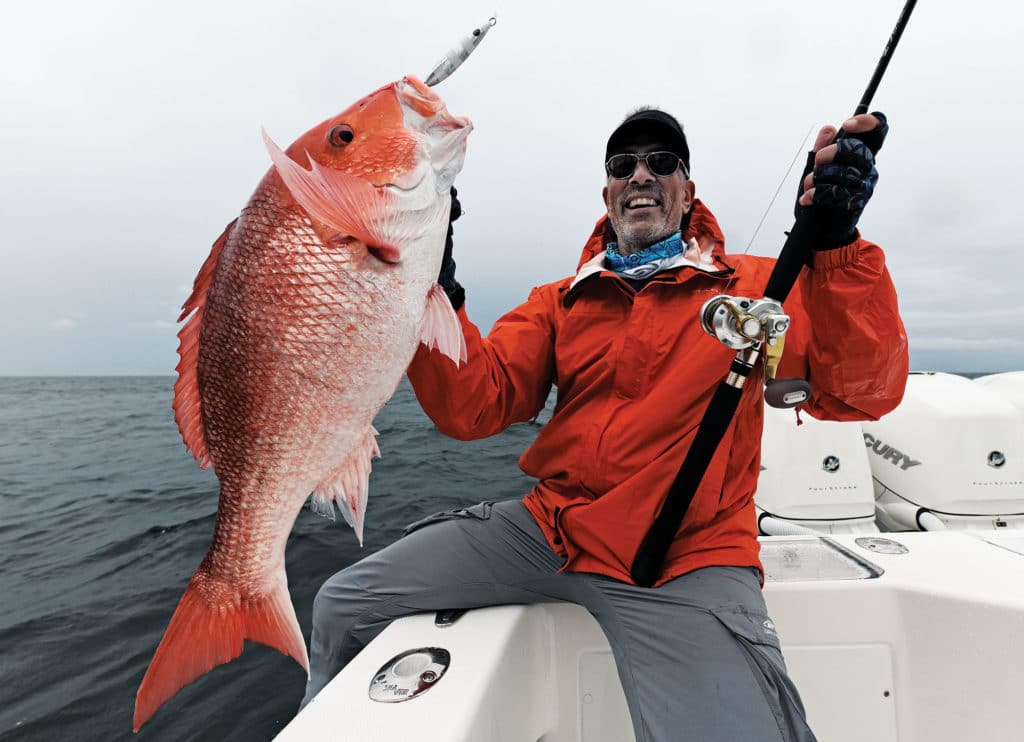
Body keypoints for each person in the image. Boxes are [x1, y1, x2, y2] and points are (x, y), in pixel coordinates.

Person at [302, 108, 908, 741]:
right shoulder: (560, 301)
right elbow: (472, 406)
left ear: (687, 191)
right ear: (608, 192)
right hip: (548, 530)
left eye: (660, 163)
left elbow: (860, 393)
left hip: (687, 556)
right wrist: (433, 284)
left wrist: (836, 246)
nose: (641, 175)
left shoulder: (759, 288)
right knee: (344, 606)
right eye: (624, 166)